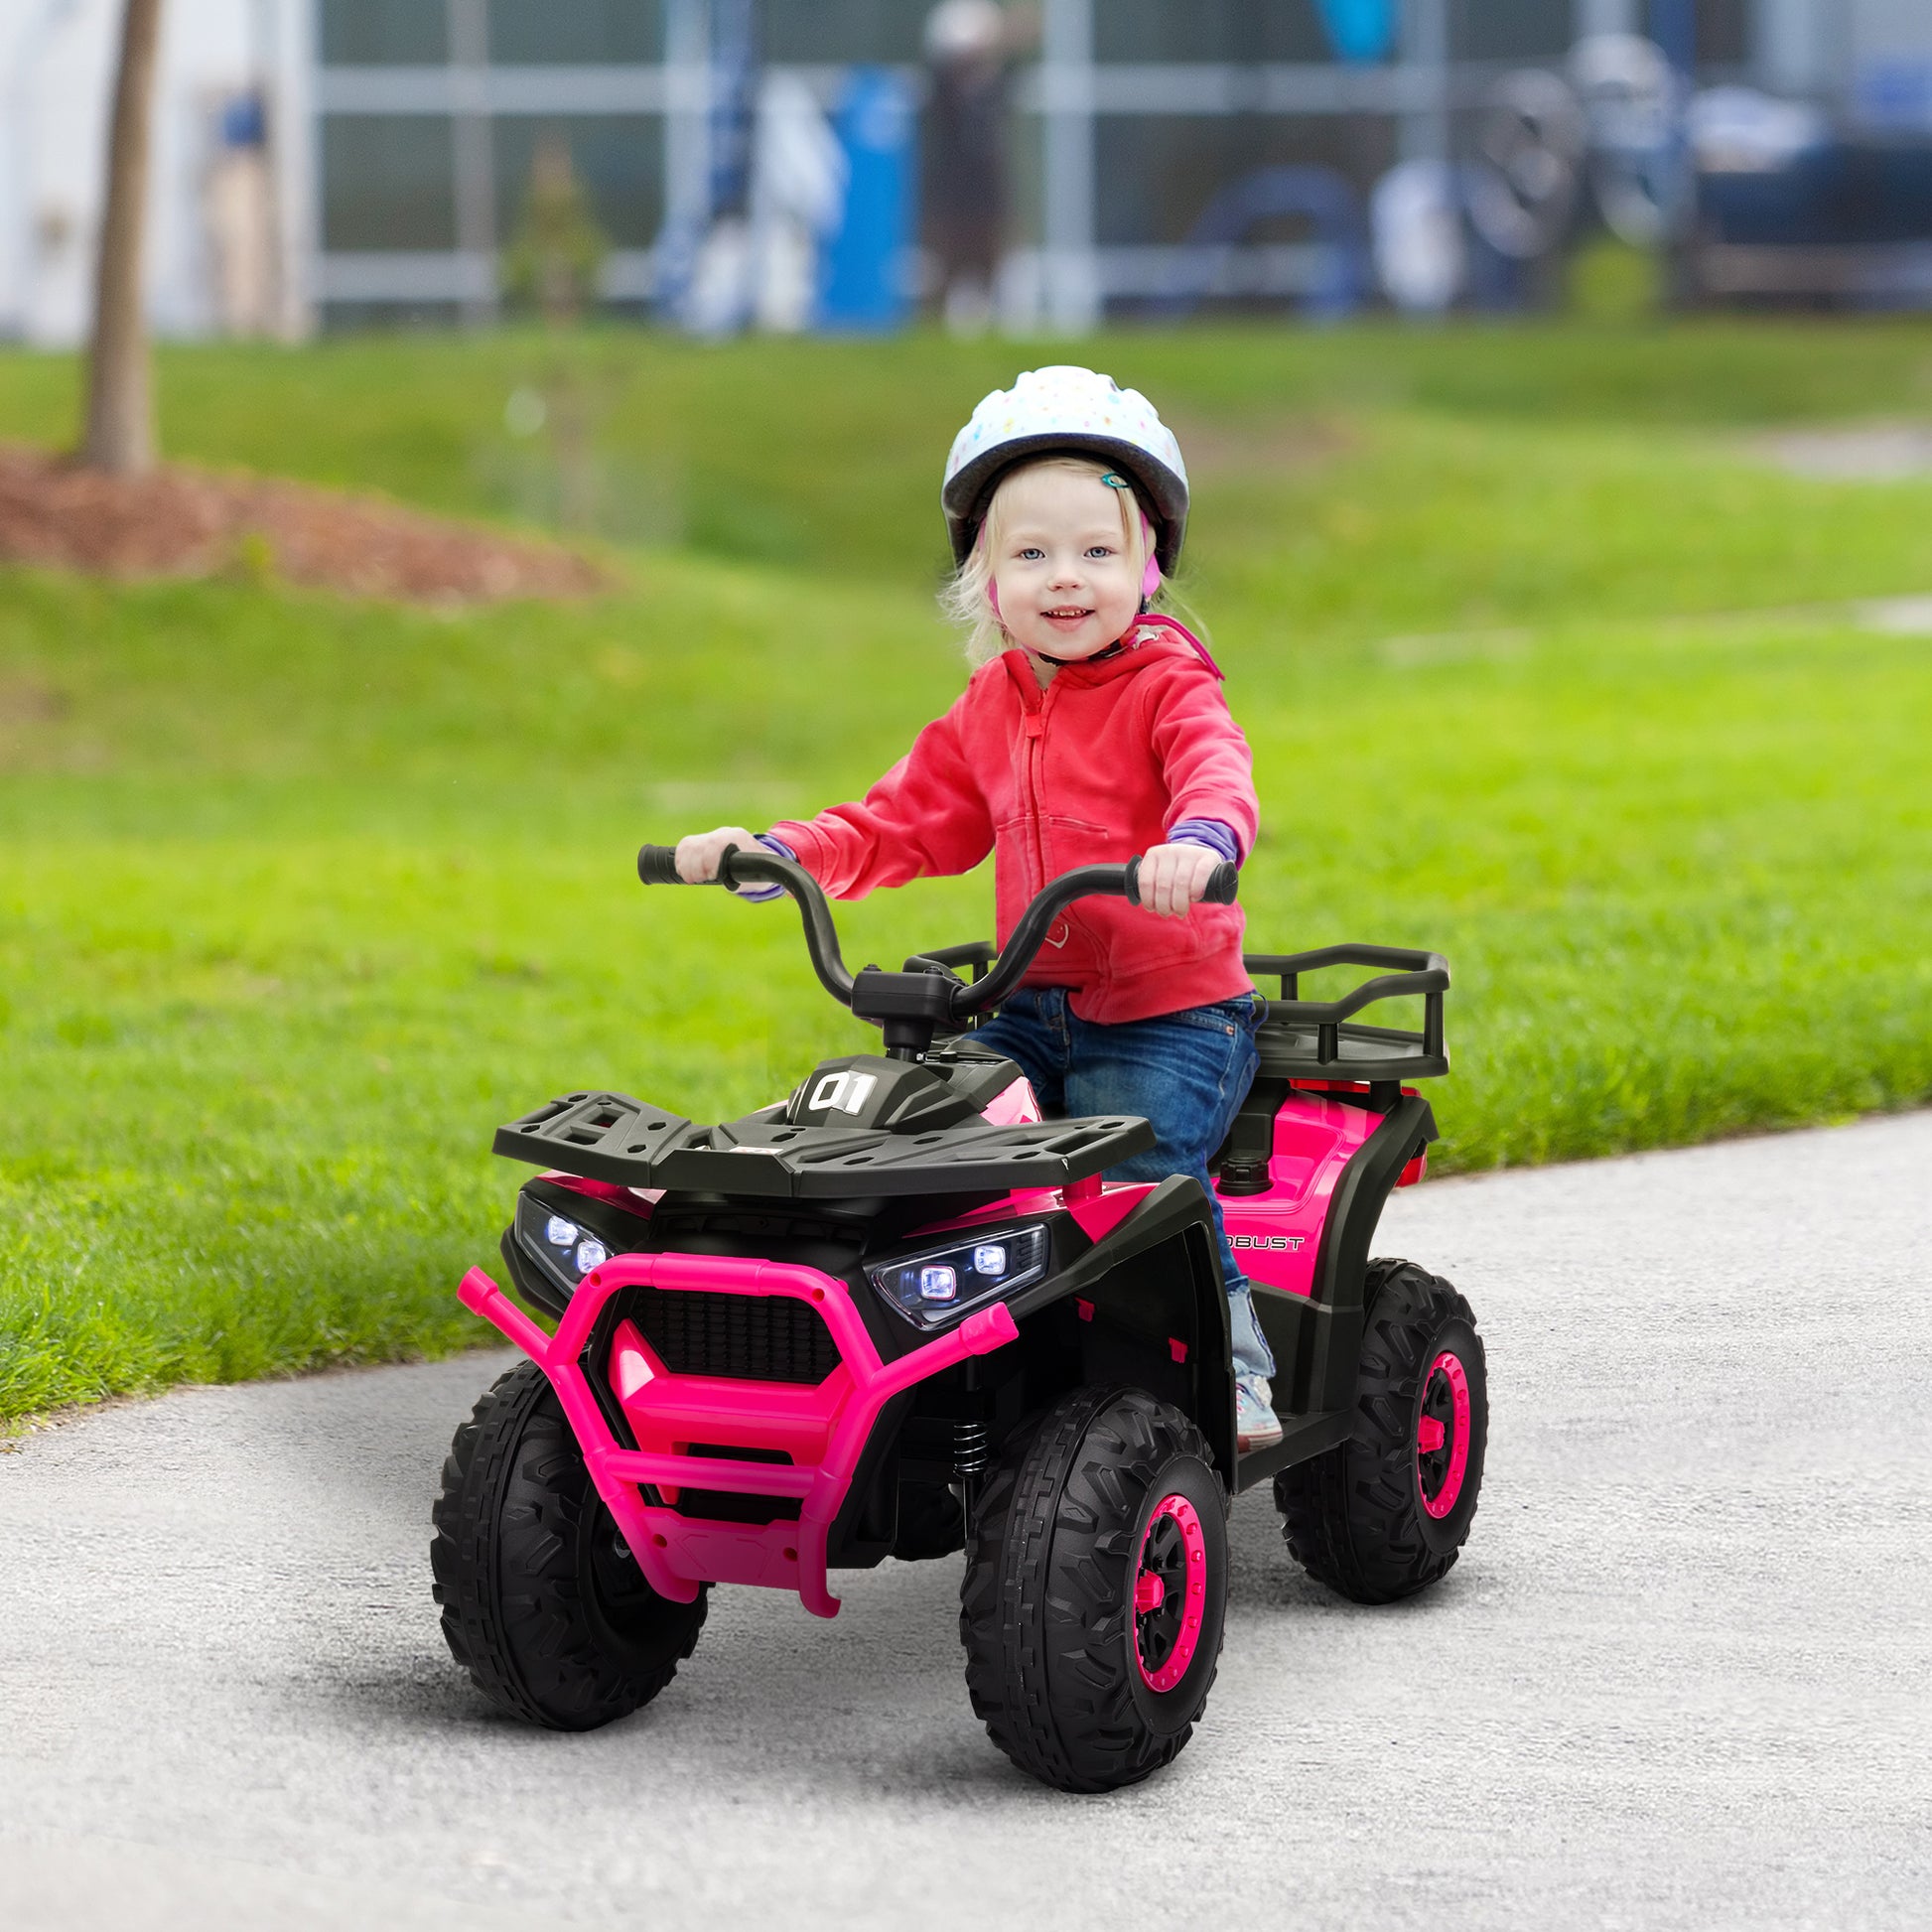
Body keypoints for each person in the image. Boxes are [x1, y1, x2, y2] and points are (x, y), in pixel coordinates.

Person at [674, 365, 1281, 1450]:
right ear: (983, 576)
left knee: (1139, 1180)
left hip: (1169, 1008)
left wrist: (1197, 843)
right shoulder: (991, 703)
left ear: (1146, 566)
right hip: (1029, 1001)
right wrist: (784, 852)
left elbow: (1214, 770)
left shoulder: (1168, 685)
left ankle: (1233, 1365)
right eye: (1031, 552)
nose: (1065, 578)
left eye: (1097, 551)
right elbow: (900, 820)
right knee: (937, 1151)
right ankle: (942, 1356)